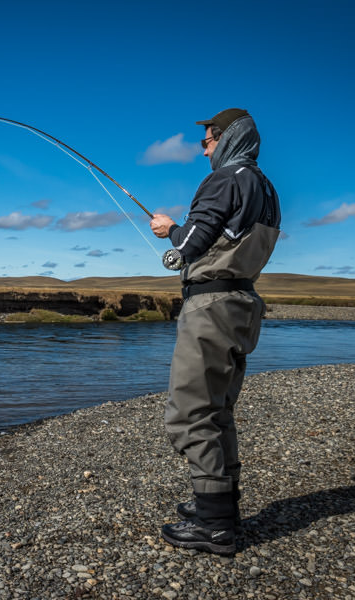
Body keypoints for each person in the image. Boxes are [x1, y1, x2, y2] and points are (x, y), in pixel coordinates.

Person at [149, 108, 281, 555]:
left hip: (212, 306)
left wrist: (169, 231)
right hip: (243, 302)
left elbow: (190, 245)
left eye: (206, 140)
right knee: (219, 410)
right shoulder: (267, 188)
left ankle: (216, 525)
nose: (202, 148)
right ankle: (220, 502)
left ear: (225, 139)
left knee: (190, 413)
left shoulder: (224, 179)